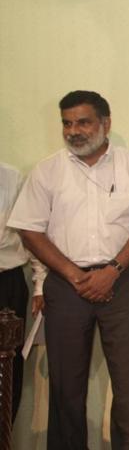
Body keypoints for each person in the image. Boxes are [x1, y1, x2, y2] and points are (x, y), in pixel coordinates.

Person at [7, 90, 129, 450]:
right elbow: (29, 228)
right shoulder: (47, 170)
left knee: (128, 388)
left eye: (83, 122)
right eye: (66, 123)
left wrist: (112, 270)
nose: (73, 131)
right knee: (66, 388)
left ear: (105, 123)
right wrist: (72, 273)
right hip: (66, 287)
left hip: (121, 283)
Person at [0, 161, 46, 422]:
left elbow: (30, 233)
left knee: (8, 371)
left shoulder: (11, 177)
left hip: (6, 286)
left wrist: (40, 283)